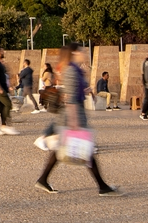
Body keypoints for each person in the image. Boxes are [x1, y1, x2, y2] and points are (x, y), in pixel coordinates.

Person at [35, 44, 120, 196]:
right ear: (74, 53)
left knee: (62, 149)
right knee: (86, 150)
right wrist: (75, 123)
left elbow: (73, 91)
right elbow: (71, 99)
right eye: (81, 51)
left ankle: (43, 179)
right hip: (72, 116)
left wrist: (84, 90)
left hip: (71, 115)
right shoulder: (72, 70)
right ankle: (102, 187)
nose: (84, 53)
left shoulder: (74, 69)